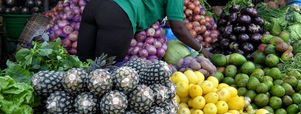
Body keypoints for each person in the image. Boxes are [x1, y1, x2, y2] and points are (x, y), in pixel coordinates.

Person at [77, 0, 213, 62]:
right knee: (104, 72)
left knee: (83, 63)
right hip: (118, 14)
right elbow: (178, 28)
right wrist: (202, 49)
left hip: (93, 7)